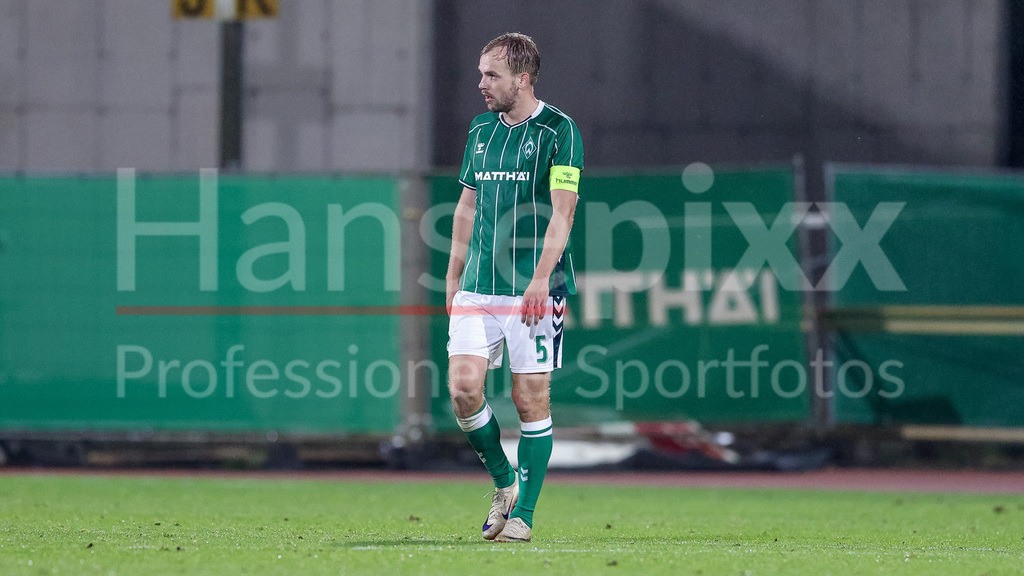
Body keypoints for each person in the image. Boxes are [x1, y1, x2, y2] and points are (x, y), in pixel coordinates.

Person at [445, 32, 583, 543]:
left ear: (522, 79)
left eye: (491, 75)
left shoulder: (559, 130)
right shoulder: (480, 132)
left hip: (534, 289)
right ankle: (504, 483)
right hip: (478, 288)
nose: (481, 84)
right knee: (462, 390)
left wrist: (542, 278)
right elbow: (465, 207)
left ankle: (523, 514)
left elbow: (562, 212)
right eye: (481, 73)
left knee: (529, 402)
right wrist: (453, 274)